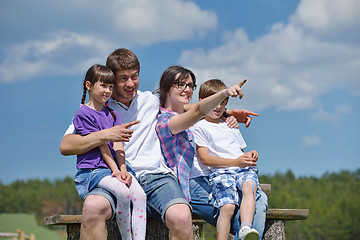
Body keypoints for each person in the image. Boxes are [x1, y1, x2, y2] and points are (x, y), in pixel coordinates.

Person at [59, 48, 264, 240]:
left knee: (182, 217)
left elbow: (187, 108)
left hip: (156, 177)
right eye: (123, 78)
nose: (130, 83)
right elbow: (66, 146)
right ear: (112, 78)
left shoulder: (150, 100)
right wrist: (106, 135)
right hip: (117, 177)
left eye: (135, 76)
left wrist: (227, 112)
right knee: (93, 207)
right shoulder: (99, 107)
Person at [72, 64, 146, 240]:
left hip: (114, 168)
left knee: (140, 195)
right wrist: (115, 170)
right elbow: (103, 146)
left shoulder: (113, 115)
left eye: (111, 87)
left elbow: (118, 146)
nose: (107, 91)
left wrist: (123, 170)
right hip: (93, 171)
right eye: (103, 86)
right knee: (123, 193)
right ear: (89, 85)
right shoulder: (84, 114)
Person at [155, 66, 245, 202]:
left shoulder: (191, 119)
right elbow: (199, 110)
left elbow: (198, 111)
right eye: (180, 84)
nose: (187, 89)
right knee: (234, 215)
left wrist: (227, 115)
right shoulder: (166, 121)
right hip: (189, 186)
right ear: (167, 88)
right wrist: (224, 93)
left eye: (191, 86)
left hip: (213, 179)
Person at [191, 79, 262, 240]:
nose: (218, 107)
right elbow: (205, 159)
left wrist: (251, 154)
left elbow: (240, 152)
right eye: (215, 102)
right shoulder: (199, 127)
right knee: (228, 207)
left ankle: (245, 227)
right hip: (221, 172)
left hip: (241, 170)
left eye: (223, 103)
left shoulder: (230, 125)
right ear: (202, 102)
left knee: (249, 187)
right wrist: (237, 161)